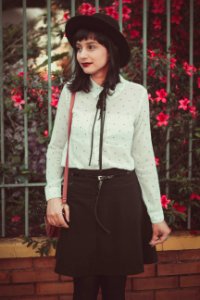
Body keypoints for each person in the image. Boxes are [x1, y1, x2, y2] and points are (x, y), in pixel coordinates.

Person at [45, 13, 171, 300]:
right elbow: (56, 148)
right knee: (84, 286)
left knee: (116, 288)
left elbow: (143, 156)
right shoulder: (70, 92)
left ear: (109, 49)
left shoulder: (136, 95)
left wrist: (156, 215)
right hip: (79, 196)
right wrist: (53, 196)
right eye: (79, 47)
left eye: (91, 46)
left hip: (121, 196)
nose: (82, 55)